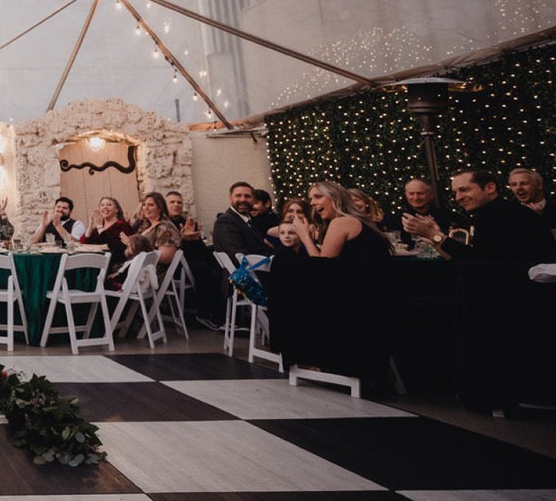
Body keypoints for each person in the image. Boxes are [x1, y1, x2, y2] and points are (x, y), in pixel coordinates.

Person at [404, 167, 556, 410]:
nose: (459, 197)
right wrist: (433, 237)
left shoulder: (503, 215)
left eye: (464, 189)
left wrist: (435, 236)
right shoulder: (494, 213)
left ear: (490, 188)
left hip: (512, 302)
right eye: (455, 192)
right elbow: (467, 261)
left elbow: (479, 263)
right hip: (504, 294)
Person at [268, 181, 395, 393]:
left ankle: (310, 360)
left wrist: (305, 236)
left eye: (317, 197)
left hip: (359, 302)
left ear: (335, 197)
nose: (313, 203)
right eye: (311, 199)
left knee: (288, 299)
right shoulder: (357, 222)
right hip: (373, 296)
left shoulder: (341, 222)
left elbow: (322, 269)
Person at [212, 181, 268, 259]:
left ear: (253, 200)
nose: (243, 200)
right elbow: (239, 257)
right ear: (230, 198)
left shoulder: (250, 220)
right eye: (238, 196)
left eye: (247, 196)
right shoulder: (225, 222)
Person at [508, 168, 555, 235]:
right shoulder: (508, 212)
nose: (518, 188)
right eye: (514, 184)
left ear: (539, 185)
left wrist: (540, 220)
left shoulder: (553, 208)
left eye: (524, 183)